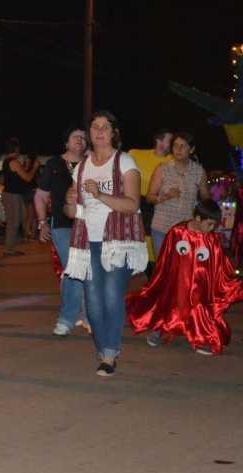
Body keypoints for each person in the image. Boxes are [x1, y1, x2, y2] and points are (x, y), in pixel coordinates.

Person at [63, 110, 147, 377]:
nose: (99, 131)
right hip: (88, 241)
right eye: (95, 127)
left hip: (118, 242)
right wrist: (68, 201)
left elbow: (132, 204)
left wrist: (100, 194)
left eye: (105, 127)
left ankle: (109, 353)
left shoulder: (125, 161)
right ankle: (104, 348)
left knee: (111, 297)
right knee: (93, 303)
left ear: (114, 133)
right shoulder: (81, 167)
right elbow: (72, 212)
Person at [128, 200, 243, 355]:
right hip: (177, 280)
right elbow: (166, 258)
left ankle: (200, 337)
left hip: (199, 283)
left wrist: (227, 281)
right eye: (209, 224)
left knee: (198, 309)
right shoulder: (177, 232)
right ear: (198, 218)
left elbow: (218, 262)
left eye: (214, 225)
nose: (211, 228)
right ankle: (160, 329)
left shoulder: (210, 238)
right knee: (170, 304)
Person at [34, 126, 88, 336]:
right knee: (73, 268)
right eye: (75, 137)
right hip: (62, 225)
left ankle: (85, 313)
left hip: (89, 224)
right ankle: (68, 318)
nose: (80, 140)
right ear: (66, 142)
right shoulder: (54, 164)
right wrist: (42, 223)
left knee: (85, 270)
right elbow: (40, 196)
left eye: (83, 137)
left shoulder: (92, 163)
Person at [147, 131, 210, 257]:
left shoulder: (199, 172)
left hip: (186, 230)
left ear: (191, 149)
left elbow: (206, 199)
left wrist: (205, 215)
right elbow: (149, 197)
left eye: (183, 146)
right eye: (175, 145)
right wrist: (165, 197)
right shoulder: (162, 169)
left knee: (182, 267)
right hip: (161, 228)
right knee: (163, 267)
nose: (178, 149)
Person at [129, 128, 173, 274]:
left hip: (161, 203)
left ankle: (156, 271)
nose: (173, 145)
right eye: (170, 141)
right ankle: (148, 271)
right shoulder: (136, 154)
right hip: (139, 202)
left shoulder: (173, 161)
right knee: (141, 239)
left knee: (157, 239)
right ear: (159, 141)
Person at [1, 137, 40, 256]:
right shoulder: (14, 162)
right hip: (12, 195)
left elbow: (18, 177)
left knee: (17, 219)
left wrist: (26, 166)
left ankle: (11, 245)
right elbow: (27, 178)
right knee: (13, 221)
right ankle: (9, 249)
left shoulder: (7, 161)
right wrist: (34, 168)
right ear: (16, 149)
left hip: (11, 194)